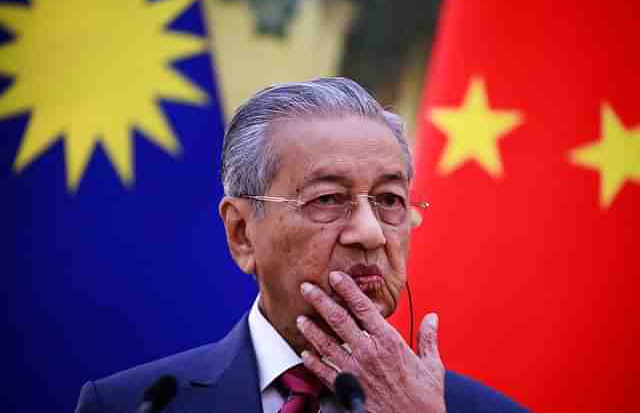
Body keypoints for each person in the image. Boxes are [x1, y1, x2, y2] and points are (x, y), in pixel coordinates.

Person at [75, 77, 528, 413]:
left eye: (390, 200)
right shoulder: (132, 404)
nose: (371, 233)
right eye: (328, 199)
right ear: (241, 233)